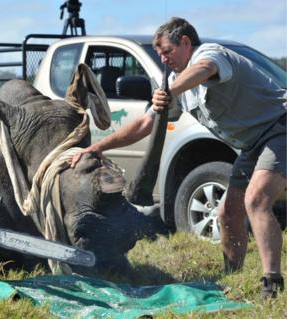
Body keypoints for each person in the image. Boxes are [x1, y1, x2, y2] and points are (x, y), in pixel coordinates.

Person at [71, 17, 286, 299]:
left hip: (280, 128)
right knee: (227, 213)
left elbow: (204, 69)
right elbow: (145, 125)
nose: (163, 59)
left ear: (185, 42)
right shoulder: (174, 84)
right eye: (159, 54)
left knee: (256, 200)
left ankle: (272, 284)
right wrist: (99, 148)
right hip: (252, 145)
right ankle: (232, 278)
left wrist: (169, 92)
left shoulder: (210, 55)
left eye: (167, 51)